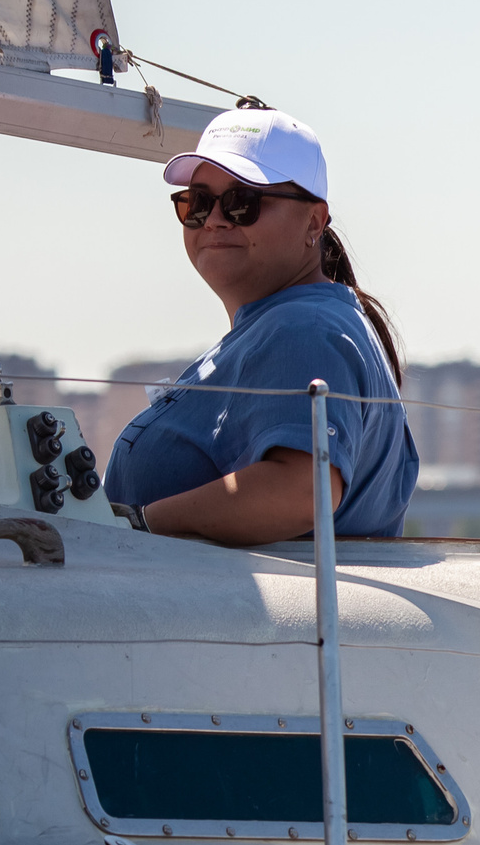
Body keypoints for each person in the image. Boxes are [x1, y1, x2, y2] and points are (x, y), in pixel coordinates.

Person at [107, 107, 417, 546]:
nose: (214, 219)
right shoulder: (293, 324)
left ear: (313, 222)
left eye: (241, 202)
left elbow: (302, 491)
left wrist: (136, 523)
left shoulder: (305, 328)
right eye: (198, 202)